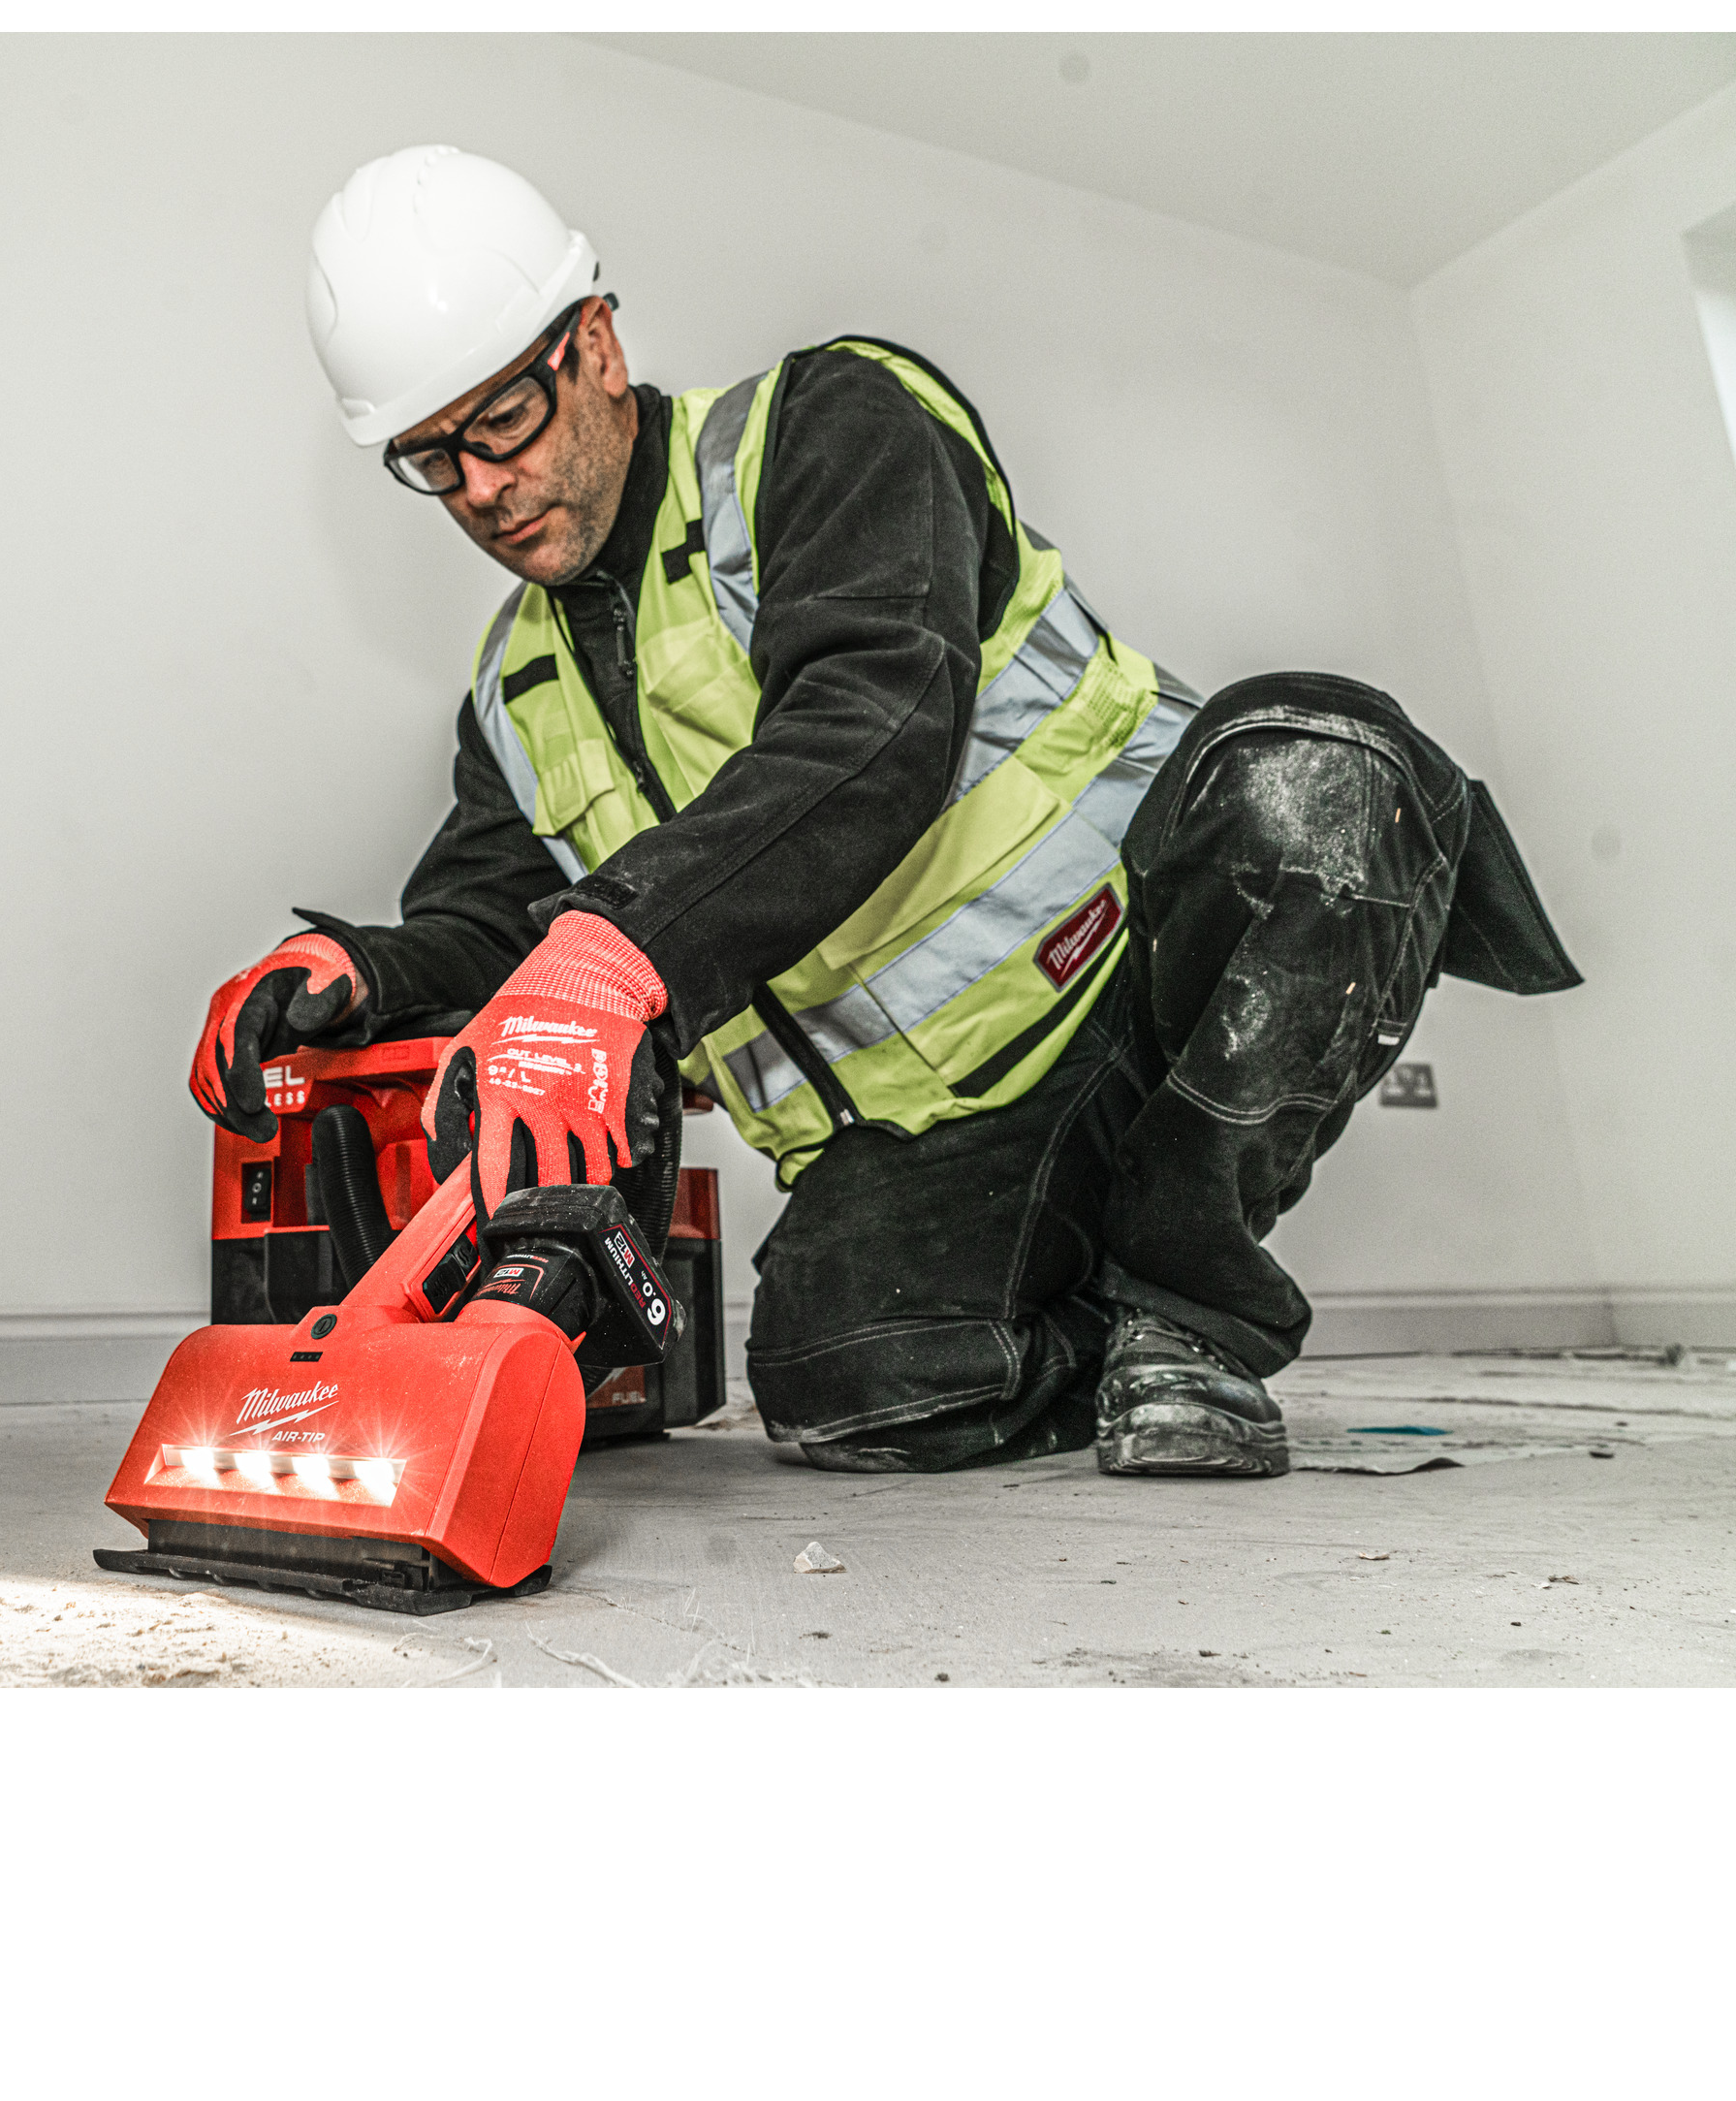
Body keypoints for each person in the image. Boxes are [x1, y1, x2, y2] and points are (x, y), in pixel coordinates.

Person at [188, 145, 1581, 1479]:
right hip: (945, 1128)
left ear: (595, 345)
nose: (482, 487)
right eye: (432, 458)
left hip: (1145, 971)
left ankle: (1189, 1323)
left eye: (501, 422)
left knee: (1314, 778)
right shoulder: (513, 685)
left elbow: (877, 724)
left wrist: (615, 955)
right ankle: (1101, 1323)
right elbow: (496, 920)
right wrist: (358, 970)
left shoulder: (827, 427)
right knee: (844, 1379)